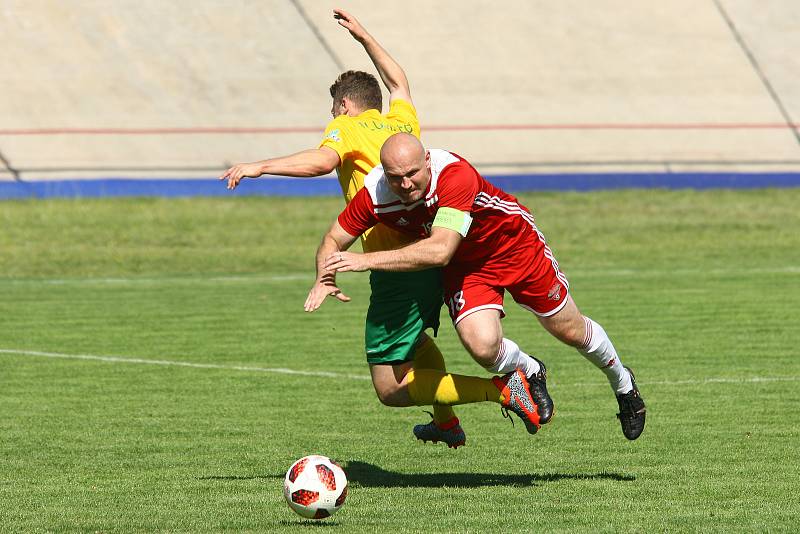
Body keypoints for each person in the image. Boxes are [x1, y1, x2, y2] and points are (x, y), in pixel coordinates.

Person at [220, 10, 468, 448]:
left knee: (389, 386)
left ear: (345, 105)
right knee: (414, 347)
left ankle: (503, 392)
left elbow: (322, 161)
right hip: (425, 251)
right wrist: (364, 37)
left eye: (333, 109)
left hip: (395, 263)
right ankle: (445, 422)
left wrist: (261, 166)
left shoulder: (346, 126)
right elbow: (400, 82)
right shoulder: (400, 125)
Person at [307, 133, 647, 440]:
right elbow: (334, 238)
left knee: (569, 329)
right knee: (482, 348)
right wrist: (325, 277)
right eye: (396, 177)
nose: (406, 184)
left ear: (427, 160)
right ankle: (531, 370)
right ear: (384, 172)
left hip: (513, 245)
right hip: (467, 267)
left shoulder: (454, 175)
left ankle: (623, 383)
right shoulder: (376, 194)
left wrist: (364, 261)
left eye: (412, 173)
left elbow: (440, 250)